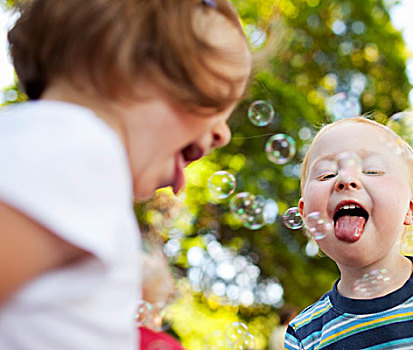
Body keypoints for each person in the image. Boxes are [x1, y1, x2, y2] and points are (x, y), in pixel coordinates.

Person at [0, 0, 251, 348]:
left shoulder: (61, 151)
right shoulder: (79, 148)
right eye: (218, 102)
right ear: (140, 63)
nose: (223, 133)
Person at [284, 117, 413, 349]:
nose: (345, 179)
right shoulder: (305, 334)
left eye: (372, 170)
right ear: (306, 217)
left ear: (410, 207)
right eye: (326, 174)